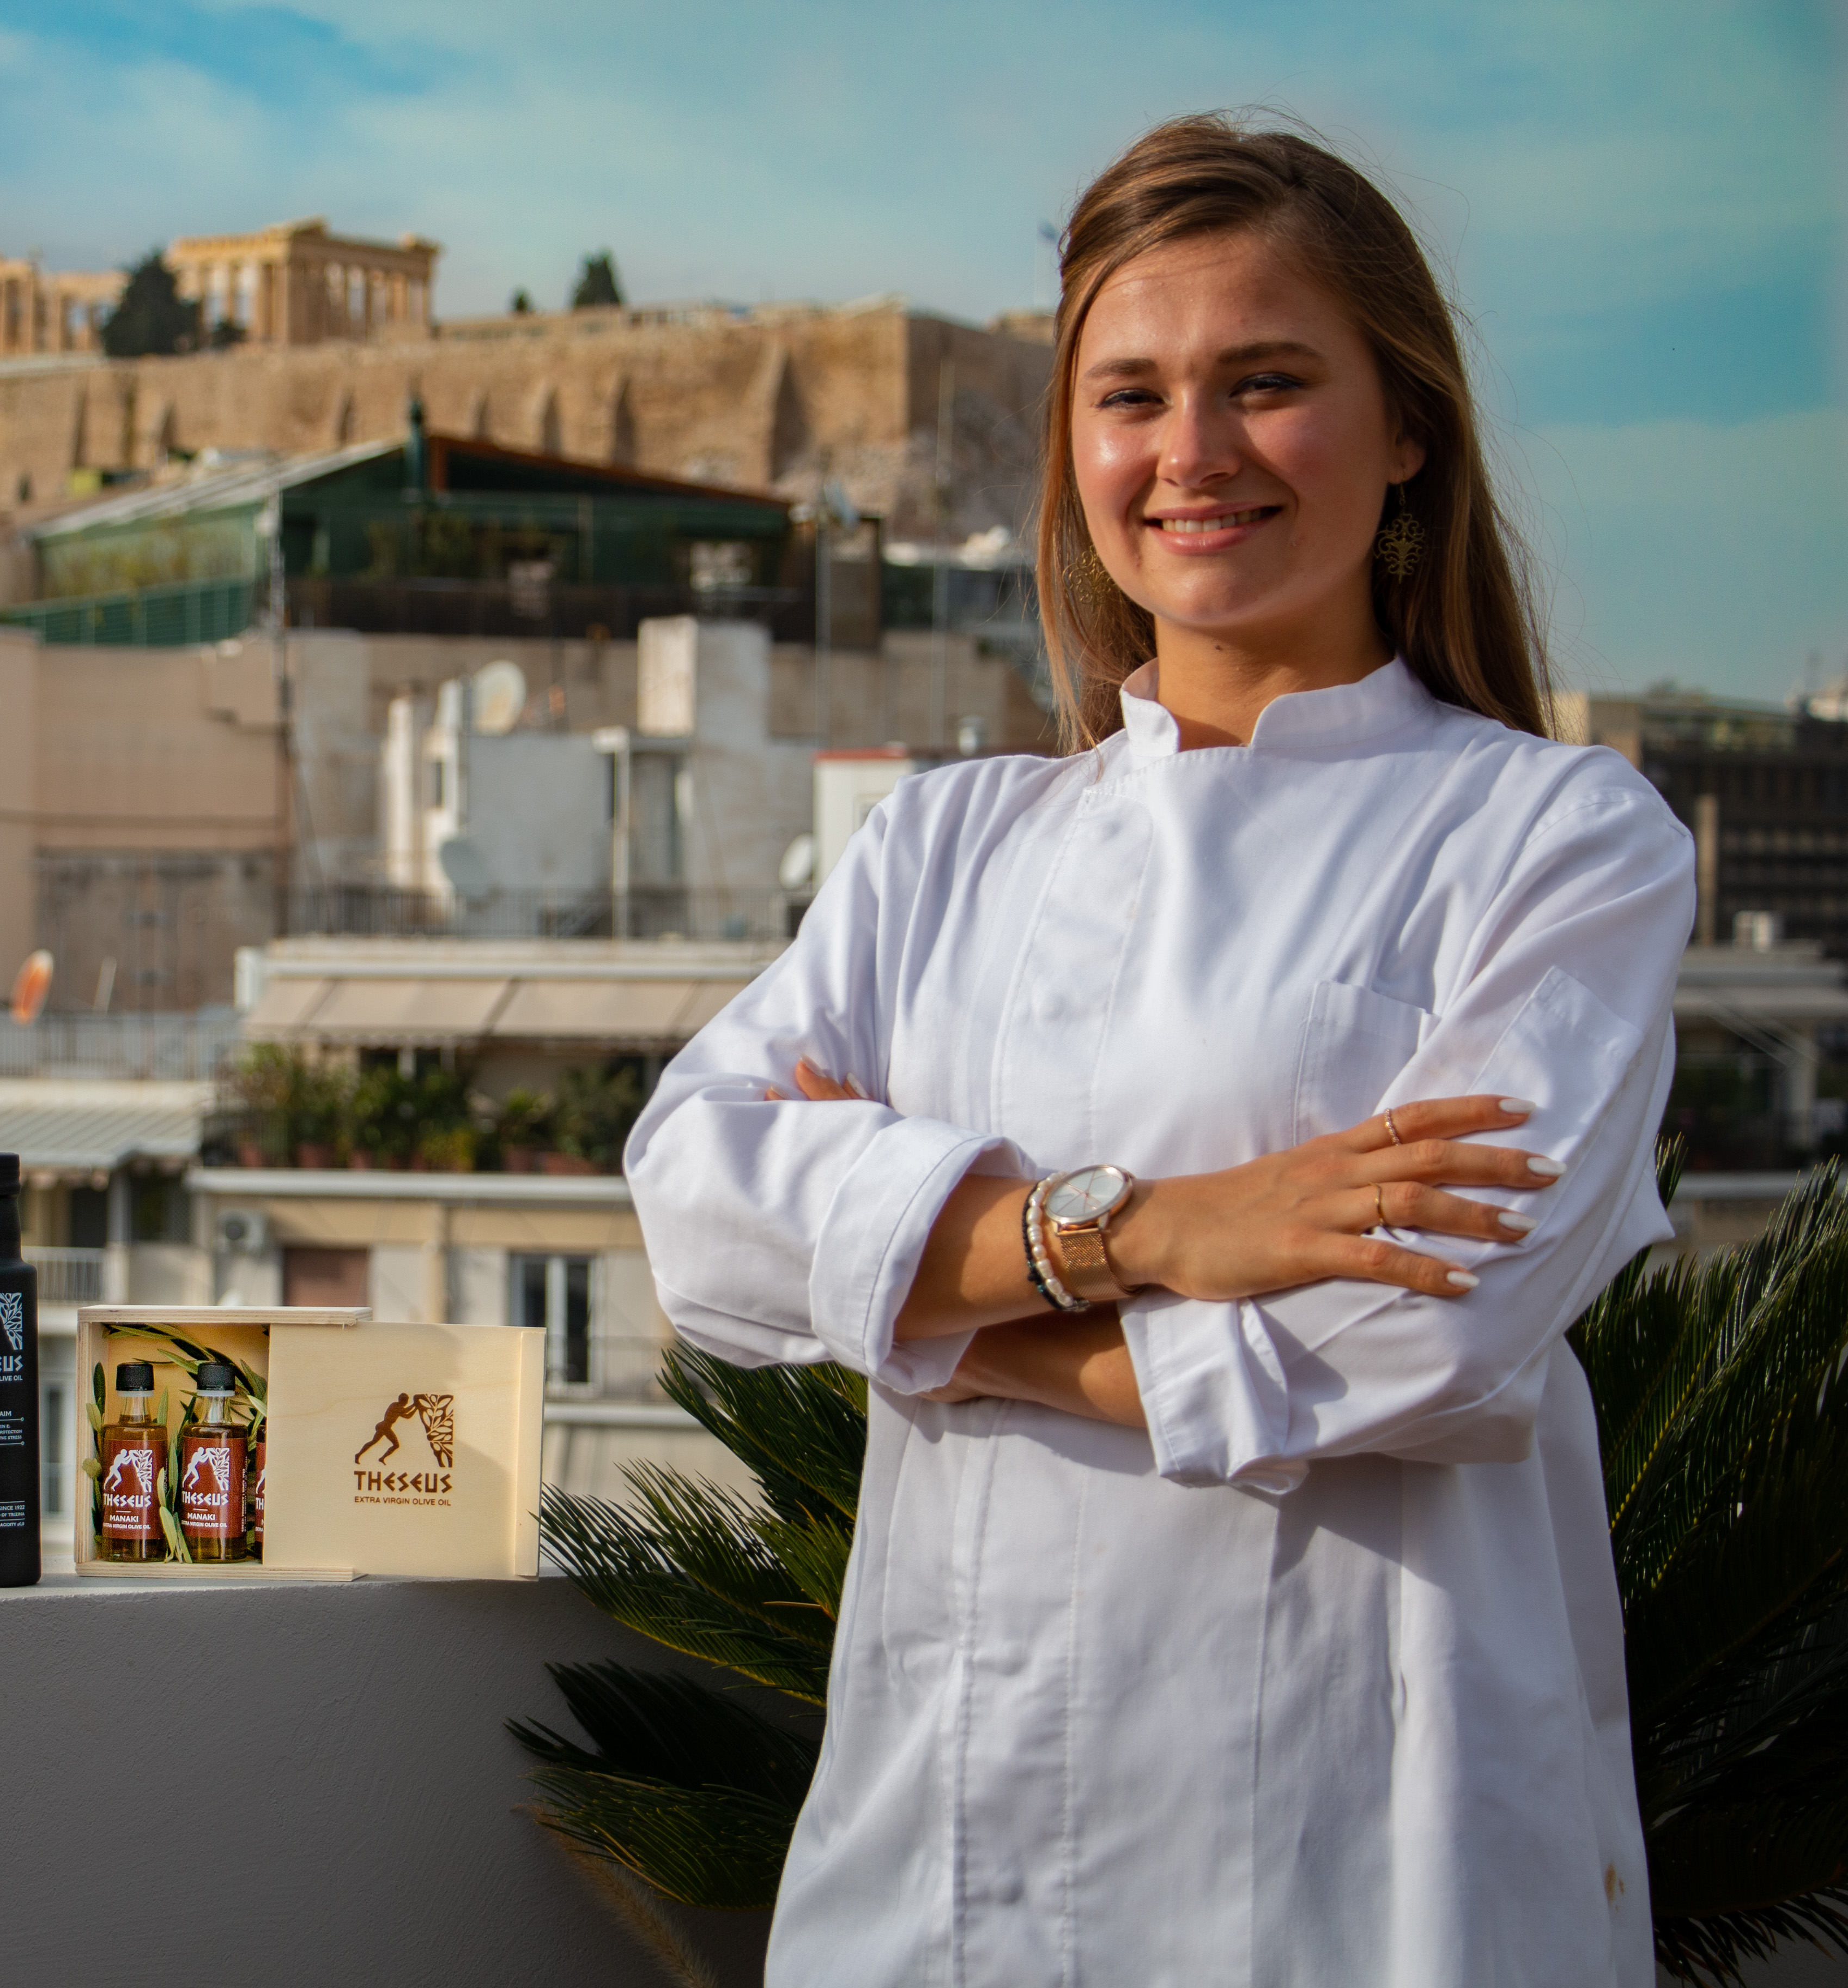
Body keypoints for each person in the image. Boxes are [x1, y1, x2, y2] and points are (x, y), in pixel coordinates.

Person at [626, 113, 1690, 1986]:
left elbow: (1431, 1341)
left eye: (1265, 383)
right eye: (1131, 397)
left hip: (1368, 1873)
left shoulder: (1557, 840)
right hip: (939, 1876)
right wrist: (1159, 1231)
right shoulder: (945, 845)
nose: (1191, 451)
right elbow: (699, 1209)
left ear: (1408, 424)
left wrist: (939, 1316)